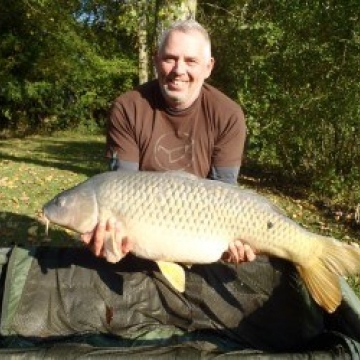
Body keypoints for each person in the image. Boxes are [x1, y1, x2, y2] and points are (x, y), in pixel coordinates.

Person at [81, 19, 256, 264]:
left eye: (191, 61)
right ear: (155, 60)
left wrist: (235, 242)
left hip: (201, 238)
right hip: (140, 237)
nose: (179, 70)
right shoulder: (128, 107)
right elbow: (120, 186)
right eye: (170, 58)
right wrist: (110, 237)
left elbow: (225, 191)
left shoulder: (228, 114)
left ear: (208, 67)